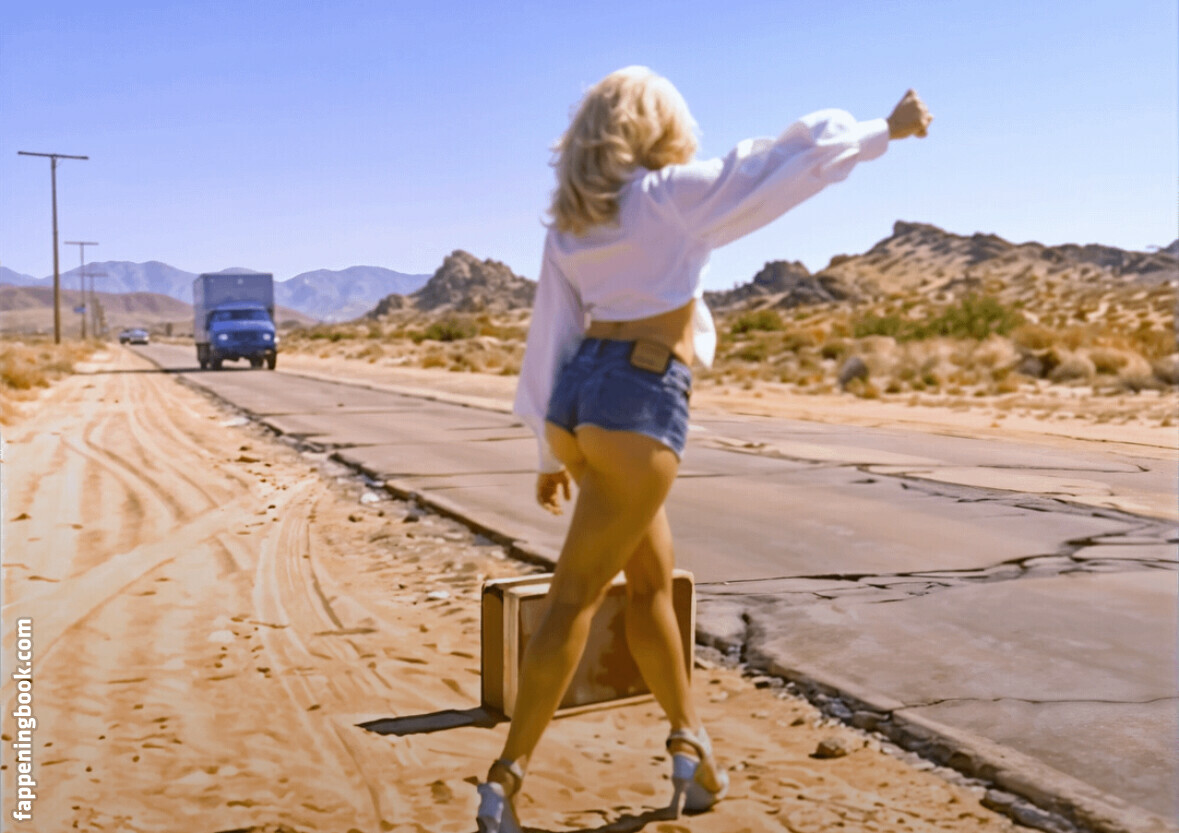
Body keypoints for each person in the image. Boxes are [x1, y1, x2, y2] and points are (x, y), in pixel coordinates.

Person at [476, 66, 932, 832]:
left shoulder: (575, 224)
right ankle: (503, 780)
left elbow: (549, 331)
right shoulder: (667, 198)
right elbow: (780, 166)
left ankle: (691, 748)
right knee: (573, 595)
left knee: (651, 587)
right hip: (639, 398)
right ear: (655, 125)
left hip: (581, 402)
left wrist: (549, 451)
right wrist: (884, 130)